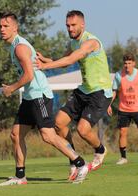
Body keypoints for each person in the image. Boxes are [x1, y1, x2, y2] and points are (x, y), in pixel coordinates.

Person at [0, 12, 89, 186]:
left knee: (48, 135)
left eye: (6, 26)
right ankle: (20, 176)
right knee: (16, 134)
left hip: (39, 95)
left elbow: (30, 75)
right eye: (0, 26)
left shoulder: (20, 47)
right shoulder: (13, 46)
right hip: (29, 97)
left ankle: (80, 163)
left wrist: (11, 88)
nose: (2, 29)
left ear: (15, 28)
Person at [36, 10, 111, 180]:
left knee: (83, 130)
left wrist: (44, 67)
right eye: (67, 26)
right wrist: (45, 60)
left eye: (73, 25)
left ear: (82, 25)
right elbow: (64, 60)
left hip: (99, 93)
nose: (70, 29)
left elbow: (70, 61)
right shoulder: (73, 44)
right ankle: (73, 158)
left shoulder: (91, 42)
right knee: (59, 123)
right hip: (84, 90)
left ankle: (100, 150)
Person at [107, 53, 138, 164]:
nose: (127, 65)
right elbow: (114, 91)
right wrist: (108, 104)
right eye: (125, 63)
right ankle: (123, 158)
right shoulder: (119, 75)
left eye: (129, 63)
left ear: (134, 63)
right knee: (123, 132)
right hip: (124, 109)